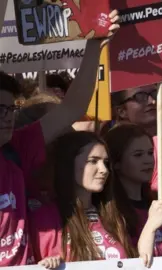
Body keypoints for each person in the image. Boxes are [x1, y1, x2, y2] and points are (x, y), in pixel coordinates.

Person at [0, 10, 120, 267]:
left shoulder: (18, 147)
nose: (7, 117)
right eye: (0, 109)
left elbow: (72, 107)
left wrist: (94, 43)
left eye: (11, 109)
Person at [28, 132, 137, 266]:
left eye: (106, 162)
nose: (104, 170)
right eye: (93, 161)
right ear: (68, 163)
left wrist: (150, 229)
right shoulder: (46, 217)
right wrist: (47, 264)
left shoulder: (113, 215)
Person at [104, 124, 162, 258]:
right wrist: (150, 226)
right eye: (138, 155)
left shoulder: (158, 202)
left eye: (150, 153)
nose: (148, 160)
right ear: (116, 163)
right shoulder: (110, 212)